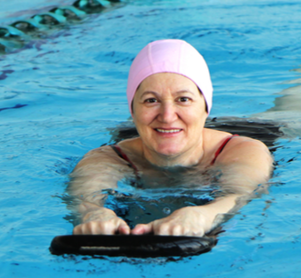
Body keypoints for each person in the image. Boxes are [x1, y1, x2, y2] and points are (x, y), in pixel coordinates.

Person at [67, 39, 273, 236]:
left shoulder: (244, 151)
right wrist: (93, 214)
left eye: (183, 99)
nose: (167, 116)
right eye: (151, 100)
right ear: (133, 110)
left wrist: (203, 215)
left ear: (205, 107)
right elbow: (84, 199)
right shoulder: (109, 157)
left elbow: (240, 195)